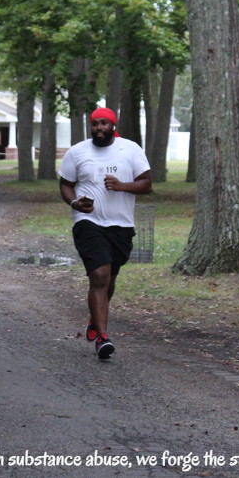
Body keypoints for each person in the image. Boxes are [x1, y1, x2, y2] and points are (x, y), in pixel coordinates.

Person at [59, 107, 152, 360]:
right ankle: (102, 337)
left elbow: (146, 184)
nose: (99, 128)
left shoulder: (130, 149)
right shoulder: (77, 151)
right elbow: (66, 184)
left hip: (121, 224)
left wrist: (122, 186)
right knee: (99, 275)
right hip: (87, 221)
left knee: (109, 279)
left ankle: (95, 318)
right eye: (95, 124)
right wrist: (75, 203)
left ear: (113, 125)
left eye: (104, 123)